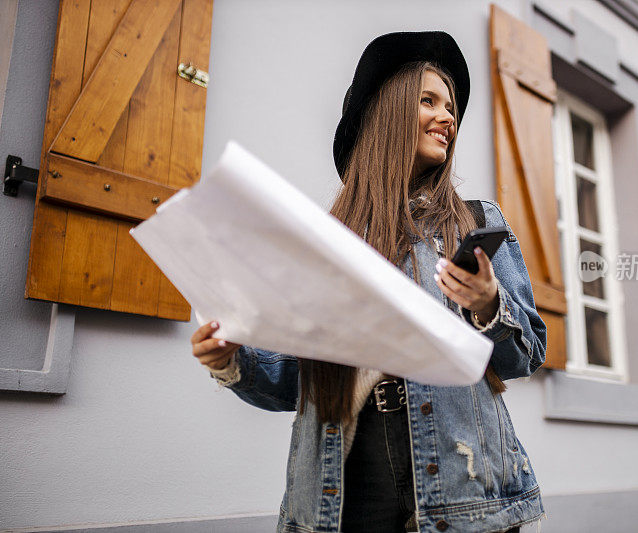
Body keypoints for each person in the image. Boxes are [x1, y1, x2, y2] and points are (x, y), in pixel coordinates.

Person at [190, 31, 547, 533]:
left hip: (463, 491)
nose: (448, 118)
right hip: (349, 490)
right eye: (429, 101)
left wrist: (490, 306)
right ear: (389, 112)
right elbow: (299, 379)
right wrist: (232, 361)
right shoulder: (326, 243)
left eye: (451, 108)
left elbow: (525, 354)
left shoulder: (475, 222)